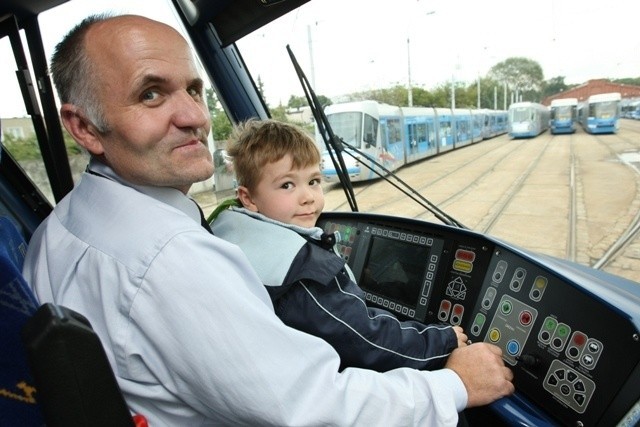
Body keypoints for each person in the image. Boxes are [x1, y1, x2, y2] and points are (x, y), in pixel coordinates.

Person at [23, 13, 514, 426]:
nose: (194, 116)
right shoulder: (170, 259)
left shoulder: (57, 227)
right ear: (84, 126)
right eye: (151, 94)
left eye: (194, 89)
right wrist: (453, 384)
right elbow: (312, 405)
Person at [210, 119, 467, 373]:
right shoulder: (301, 274)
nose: (308, 197)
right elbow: (364, 339)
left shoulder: (225, 229)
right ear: (248, 198)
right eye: (287, 185)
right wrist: (442, 340)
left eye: (313, 181)